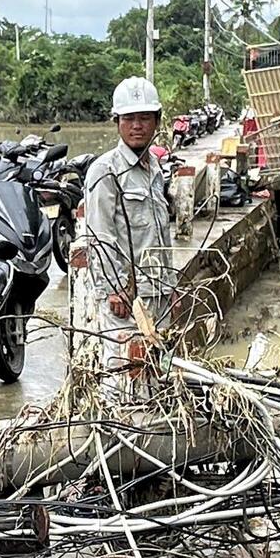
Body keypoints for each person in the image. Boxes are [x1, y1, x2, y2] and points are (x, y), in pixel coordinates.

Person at [79, 75, 175, 377]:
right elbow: (99, 236)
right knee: (124, 373)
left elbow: (160, 234)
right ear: (117, 122)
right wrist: (114, 289)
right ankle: (113, 425)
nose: (137, 125)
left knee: (158, 373)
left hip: (157, 293)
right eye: (129, 118)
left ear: (157, 121)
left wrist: (169, 286)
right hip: (125, 298)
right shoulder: (105, 171)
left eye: (145, 118)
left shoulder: (155, 169)